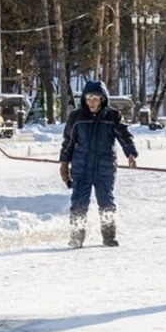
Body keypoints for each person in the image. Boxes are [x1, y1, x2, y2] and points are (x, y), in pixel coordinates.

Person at [59, 80, 138, 248]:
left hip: (105, 168)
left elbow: (124, 136)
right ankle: (76, 237)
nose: (92, 101)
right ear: (84, 100)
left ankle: (109, 236)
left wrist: (130, 152)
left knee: (106, 203)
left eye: (96, 98)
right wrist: (64, 163)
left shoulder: (112, 116)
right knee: (79, 204)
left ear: (103, 99)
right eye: (89, 98)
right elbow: (68, 142)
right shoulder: (76, 117)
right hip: (81, 168)